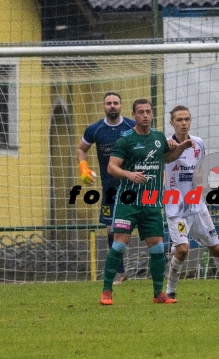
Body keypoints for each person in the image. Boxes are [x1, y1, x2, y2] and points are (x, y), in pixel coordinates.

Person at [99, 99, 194, 305]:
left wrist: (182, 147)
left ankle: (158, 293)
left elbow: (167, 159)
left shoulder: (159, 138)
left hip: (151, 202)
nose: (145, 115)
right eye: (141, 112)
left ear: (152, 114)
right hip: (128, 201)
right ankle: (107, 291)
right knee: (119, 245)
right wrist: (129, 175)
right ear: (134, 114)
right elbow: (111, 167)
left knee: (158, 248)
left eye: (148, 112)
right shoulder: (126, 139)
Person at [164, 105, 219, 301]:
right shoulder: (167, 145)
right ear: (172, 123)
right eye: (179, 120)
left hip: (197, 205)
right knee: (182, 250)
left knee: (216, 248)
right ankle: (169, 292)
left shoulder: (198, 143)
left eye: (187, 119)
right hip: (176, 207)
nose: (184, 123)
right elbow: (165, 164)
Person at [77, 92, 135, 285]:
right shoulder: (95, 129)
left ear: (121, 106)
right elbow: (81, 149)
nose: (112, 106)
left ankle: (161, 269)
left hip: (133, 186)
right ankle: (120, 272)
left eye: (116, 103)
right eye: (109, 103)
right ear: (104, 106)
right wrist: (83, 168)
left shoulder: (131, 126)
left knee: (144, 227)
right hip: (110, 188)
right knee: (111, 229)